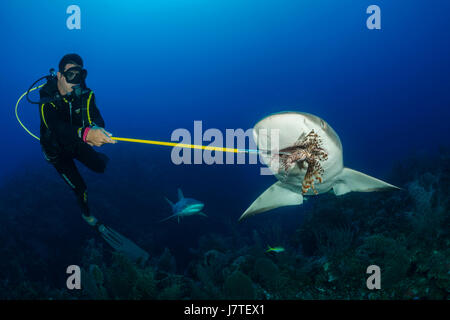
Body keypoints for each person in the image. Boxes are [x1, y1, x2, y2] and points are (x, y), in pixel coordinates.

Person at [39, 53, 117, 227]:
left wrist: (96, 128)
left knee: (100, 167)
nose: (75, 80)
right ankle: (87, 216)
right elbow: (54, 126)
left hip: (76, 144)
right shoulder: (47, 98)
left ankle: (97, 162)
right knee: (81, 188)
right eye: (70, 74)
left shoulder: (86, 95)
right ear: (59, 75)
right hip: (58, 152)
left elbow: (97, 117)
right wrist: (84, 133)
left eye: (79, 74)